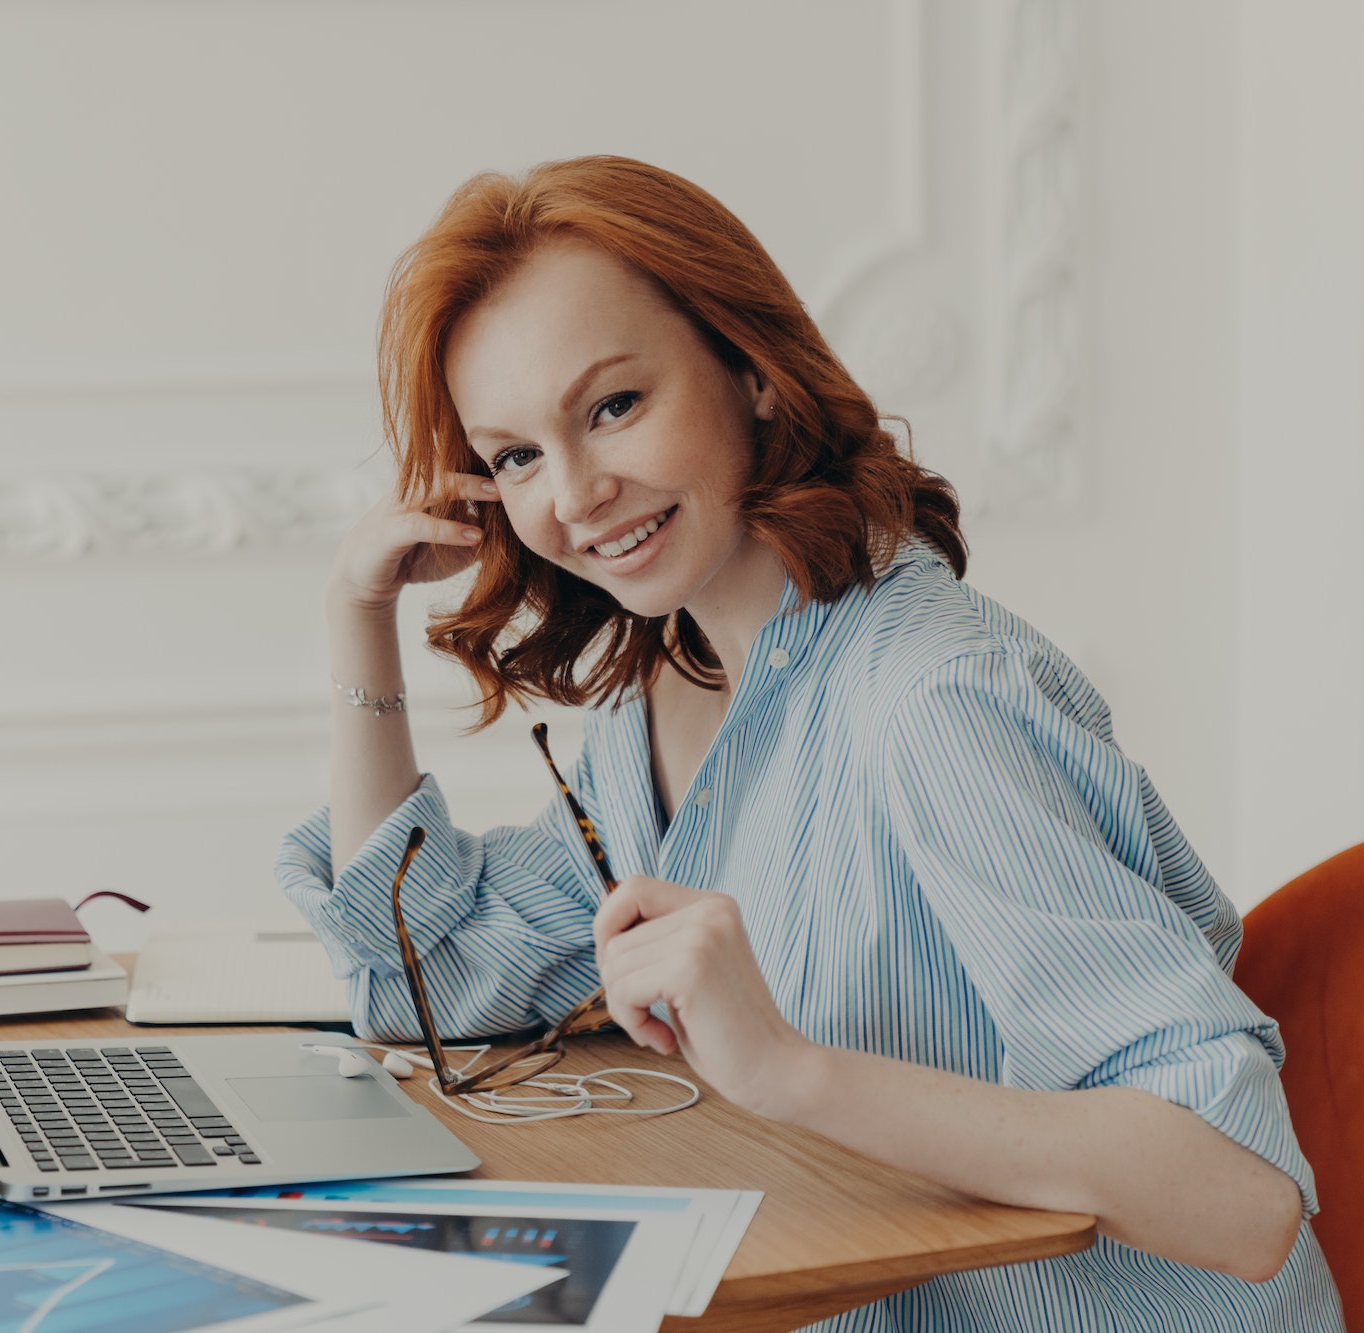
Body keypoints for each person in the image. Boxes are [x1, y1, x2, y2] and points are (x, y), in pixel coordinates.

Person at [274, 156, 1343, 1329]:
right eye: (516, 456)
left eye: (612, 407)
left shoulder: (930, 701)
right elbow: (423, 977)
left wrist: (790, 1070)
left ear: (752, 375)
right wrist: (357, 614)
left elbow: (1237, 1196)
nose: (572, 495)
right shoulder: (656, 698)